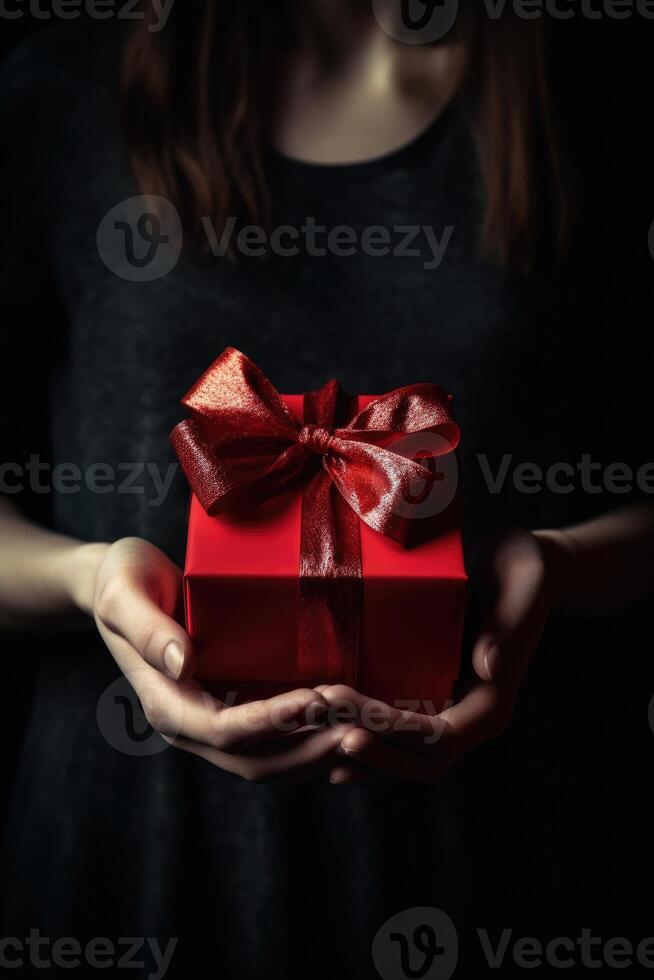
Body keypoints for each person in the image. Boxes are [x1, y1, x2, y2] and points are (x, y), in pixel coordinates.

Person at [1, 3, 652, 977]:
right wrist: (89, 576)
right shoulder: (55, 90)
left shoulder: (602, 87)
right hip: (129, 863)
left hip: (506, 863)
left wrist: (559, 562)